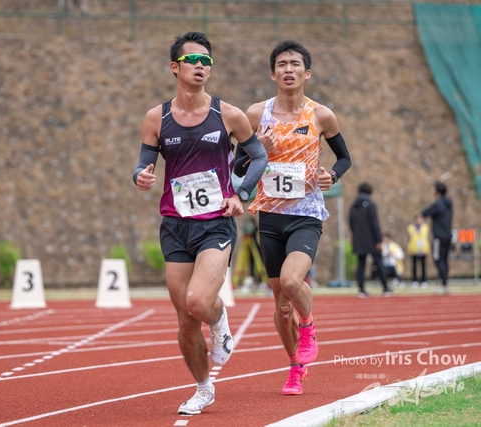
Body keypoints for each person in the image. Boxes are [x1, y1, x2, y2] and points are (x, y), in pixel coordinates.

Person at [133, 31, 268, 415]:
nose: (200, 66)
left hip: (215, 223)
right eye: (192, 60)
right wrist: (140, 176)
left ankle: (219, 317)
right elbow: (143, 165)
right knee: (184, 316)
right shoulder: (156, 118)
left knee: (198, 302)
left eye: (206, 61)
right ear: (175, 67)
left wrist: (241, 194)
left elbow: (259, 157)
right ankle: (203, 388)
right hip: (176, 224)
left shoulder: (228, 115)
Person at [236, 39, 352, 395]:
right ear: (273, 74)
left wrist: (332, 175)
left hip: (306, 213)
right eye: (282, 64)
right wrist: (259, 150)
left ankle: (309, 326)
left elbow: (344, 159)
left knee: (291, 281)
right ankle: (295, 368)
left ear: (307, 72)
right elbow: (236, 166)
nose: (289, 69)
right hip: (269, 215)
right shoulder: (255, 114)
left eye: (295, 64)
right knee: (282, 307)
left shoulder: (321, 115)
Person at [349, 183, 391, 299]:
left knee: (361, 264)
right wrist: (378, 240)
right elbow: (374, 223)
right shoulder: (371, 205)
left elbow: (351, 222)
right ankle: (385, 288)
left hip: (358, 239)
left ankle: (361, 289)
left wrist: (356, 235)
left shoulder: (354, 206)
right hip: (372, 239)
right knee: (379, 262)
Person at [422, 181, 453, 295]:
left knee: (438, 259)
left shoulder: (438, 204)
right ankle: (445, 283)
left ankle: (444, 284)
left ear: (437, 191)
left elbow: (425, 213)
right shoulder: (448, 203)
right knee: (444, 260)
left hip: (439, 236)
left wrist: (433, 204)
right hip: (448, 235)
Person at [407, 214, 430, 288]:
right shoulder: (410, 228)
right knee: (414, 265)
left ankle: (424, 280)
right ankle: (414, 280)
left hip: (423, 248)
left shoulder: (425, 227)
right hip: (414, 248)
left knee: (423, 265)